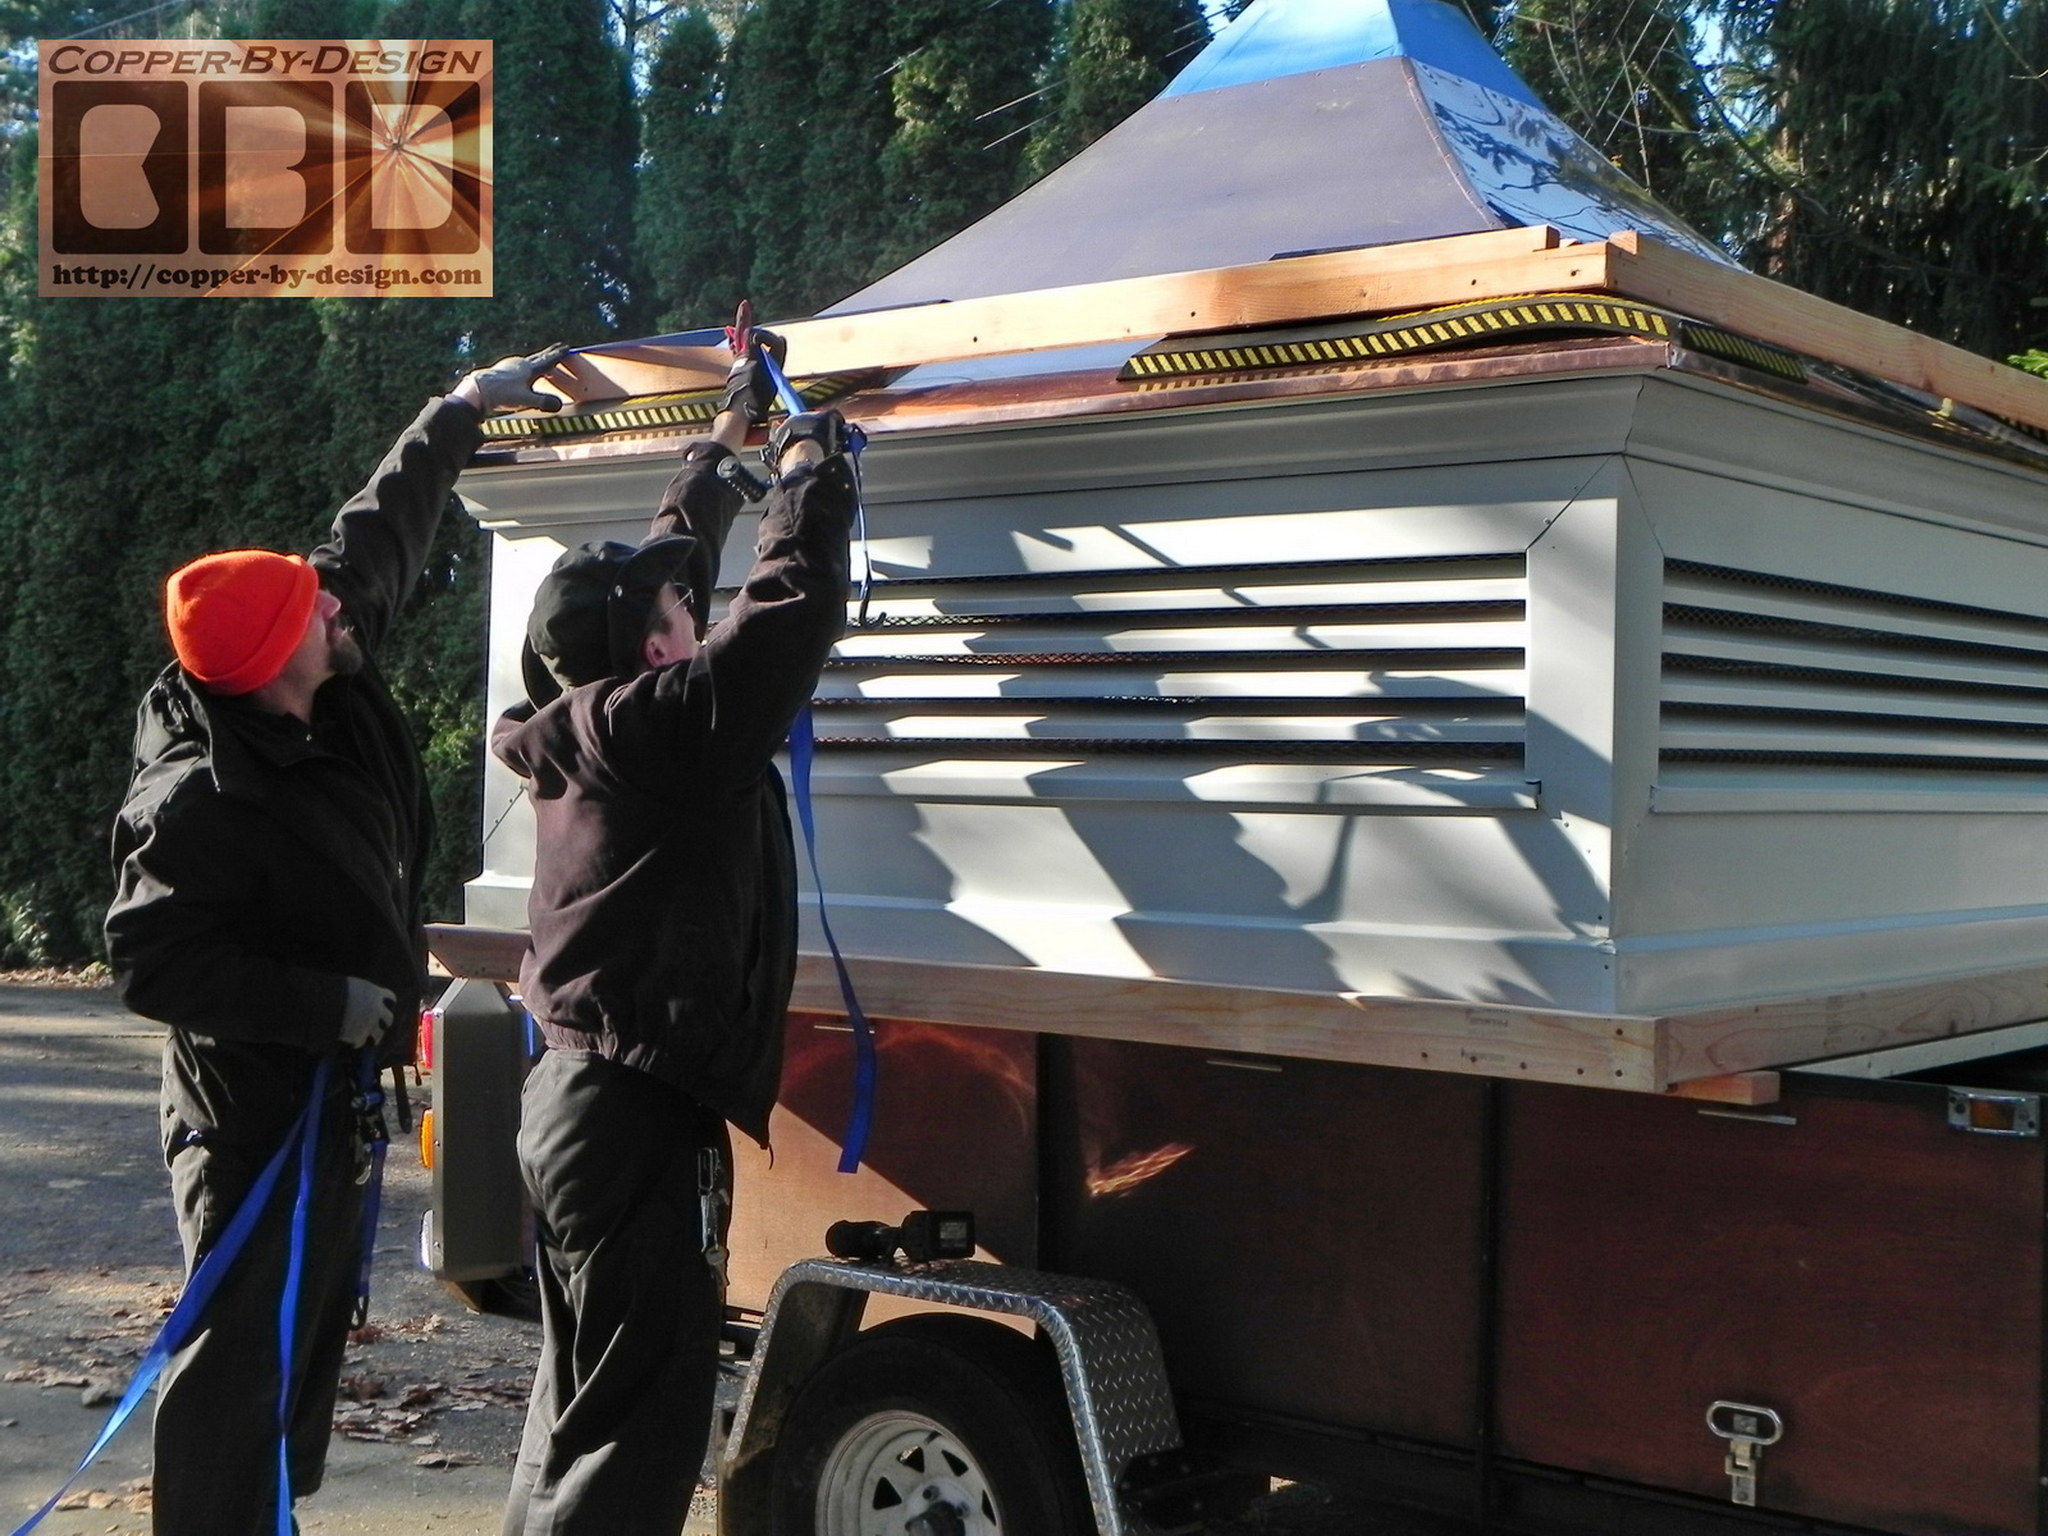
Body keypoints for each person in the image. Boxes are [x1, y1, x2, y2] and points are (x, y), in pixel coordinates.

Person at [104, 346, 571, 1536]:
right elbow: (154, 963)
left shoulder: (321, 674)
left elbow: (372, 536)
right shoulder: (197, 800)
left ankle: (268, 1515)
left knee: (306, 1331)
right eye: (311, 610)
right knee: (240, 1345)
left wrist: (458, 409)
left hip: (334, 1089)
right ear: (275, 665)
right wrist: (329, 1005)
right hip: (253, 1112)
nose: (333, 602)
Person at [494, 335, 856, 1535]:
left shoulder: (599, 716)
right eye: (679, 614)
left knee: (584, 1412)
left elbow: (666, 566)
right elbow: (784, 621)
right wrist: (809, 475)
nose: (693, 614)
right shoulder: (658, 726)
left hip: (590, 1107)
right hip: (624, 1115)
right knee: (633, 1439)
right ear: (655, 648)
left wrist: (725, 436)